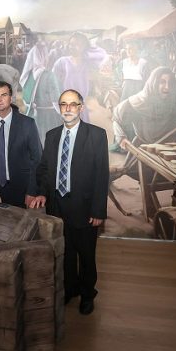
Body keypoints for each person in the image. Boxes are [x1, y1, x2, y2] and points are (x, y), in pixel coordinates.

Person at [30, 89, 109, 315]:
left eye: (73, 104)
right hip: (57, 206)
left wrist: (98, 210)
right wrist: (42, 193)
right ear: (59, 107)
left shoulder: (96, 135)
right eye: (64, 104)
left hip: (85, 208)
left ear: (80, 108)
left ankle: (87, 294)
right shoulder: (52, 135)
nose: (68, 108)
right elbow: (45, 169)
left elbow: (101, 175)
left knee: (86, 254)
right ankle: (70, 289)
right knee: (65, 252)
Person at [112, 66, 176, 149]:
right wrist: (121, 138)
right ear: (153, 83)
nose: (167, 87)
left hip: (173, 147)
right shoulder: (140, 101)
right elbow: (117, 118)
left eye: (170, 83)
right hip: (146, 149)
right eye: (162, 82)